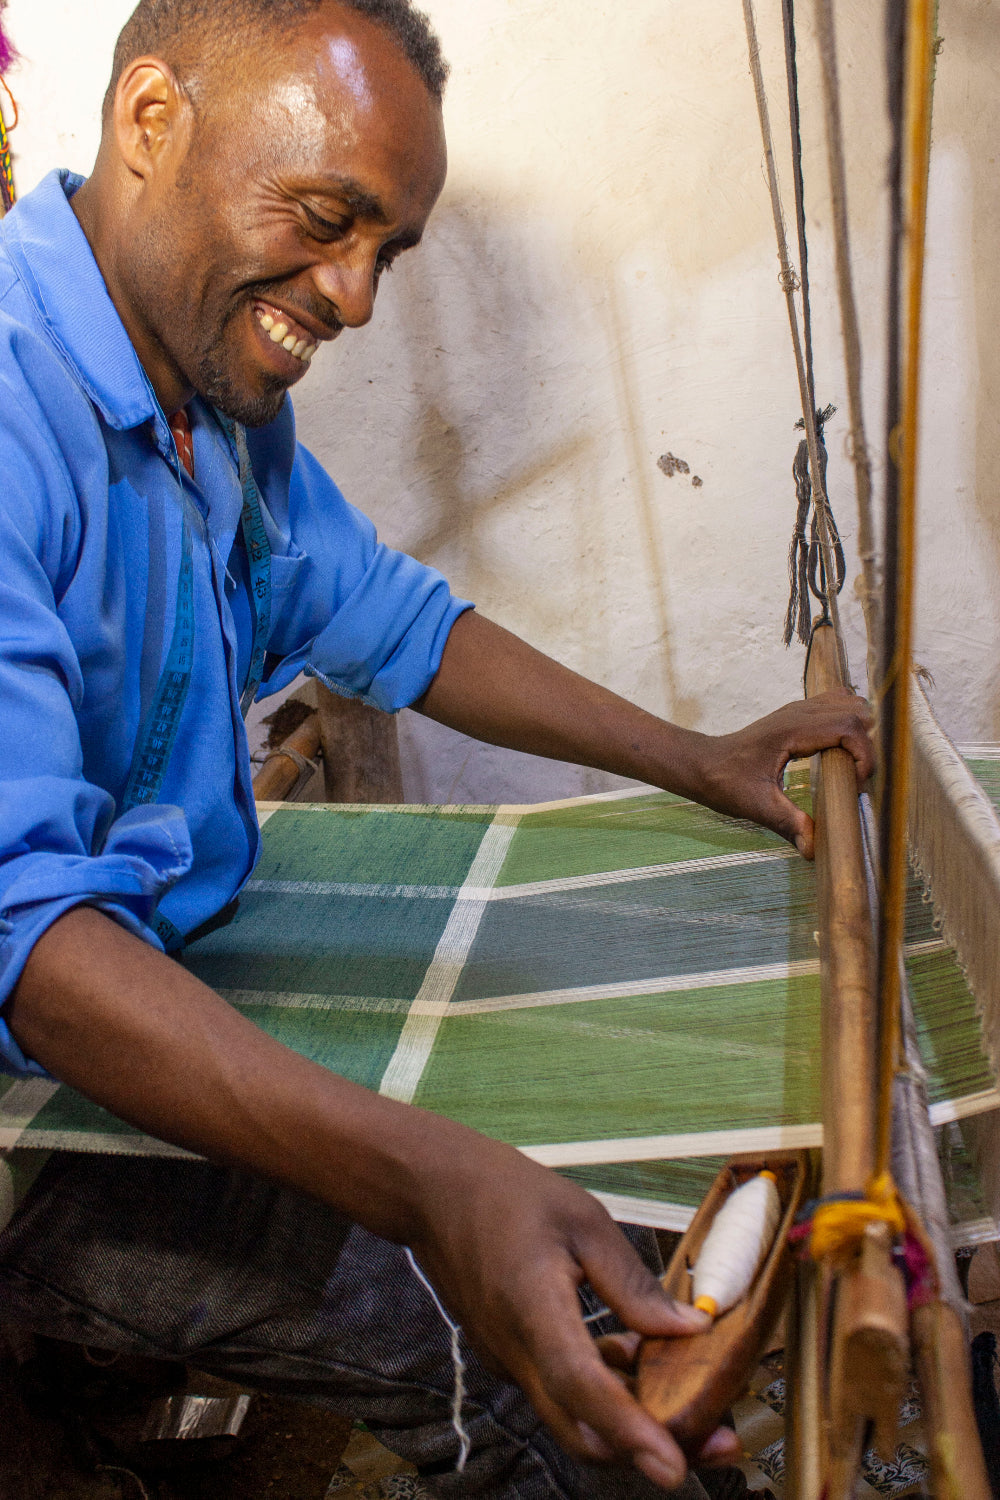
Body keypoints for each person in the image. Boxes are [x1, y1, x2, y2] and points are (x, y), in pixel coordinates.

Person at [0, 1, 873, 1495]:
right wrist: (431, 1180)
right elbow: (26, 939)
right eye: (327, 218)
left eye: (386, 251)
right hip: (31, 1137)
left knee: (559, 1221)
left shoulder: (207, 387)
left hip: (139, 981)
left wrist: (697, 754)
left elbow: (393, 622)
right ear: (152, 121)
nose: (350, 297)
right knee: (534, 1355)